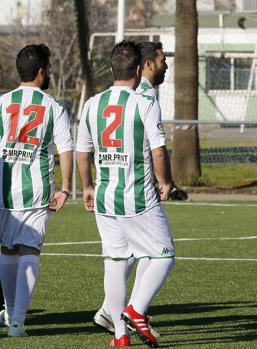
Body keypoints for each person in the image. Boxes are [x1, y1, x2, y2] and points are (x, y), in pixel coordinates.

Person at [76, 40, 175, 348]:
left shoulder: (92, 104)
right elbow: (158, 150)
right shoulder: (142, 101)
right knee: (164, 255)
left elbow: (82, 151)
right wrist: (166, 181)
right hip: (137, 196)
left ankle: (120, 334)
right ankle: (136, 309)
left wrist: (87, 186)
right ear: (137, 69)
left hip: (105, 197)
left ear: (110, 70)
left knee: (116, 263)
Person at [0, 44, 73, 337]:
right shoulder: (54, 106)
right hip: (37, 190)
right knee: (30, 249)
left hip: (3, 189)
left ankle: (9, 310)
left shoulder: (2, 102)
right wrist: (66, 188)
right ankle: (17, 321)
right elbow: (65, 149)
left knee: (6, 249)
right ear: (42, 72)